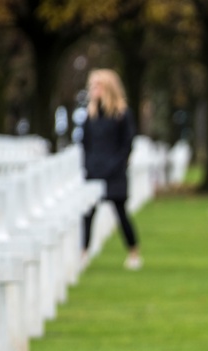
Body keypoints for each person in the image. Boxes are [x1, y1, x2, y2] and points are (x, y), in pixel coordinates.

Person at [80, 68, 142, 270]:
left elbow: (127, 144)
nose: (93, 89)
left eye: (97, 85)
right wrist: (90, 166)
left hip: (114, 173)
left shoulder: (122, 114)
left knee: (121, 213)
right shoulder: (90, 116)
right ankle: (83, 252)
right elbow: (85, 144)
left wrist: (113, 166)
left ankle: (134, 252)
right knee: (87, 213)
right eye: (92, 86)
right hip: (93, 172)